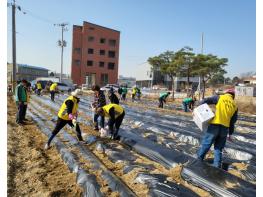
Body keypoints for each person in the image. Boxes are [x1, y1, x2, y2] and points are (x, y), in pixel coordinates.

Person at [197, 89, 238, 168]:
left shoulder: (220, 98)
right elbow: (233, 121)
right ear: (233, 96)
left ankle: (198, 160)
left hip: (215, 126)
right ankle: (217, 166)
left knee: (206, 144)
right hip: (224, 129)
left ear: (226, 93)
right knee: (219, 148)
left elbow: (205, 100)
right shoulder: (235, 105)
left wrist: (199, 108)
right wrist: (230, 133)